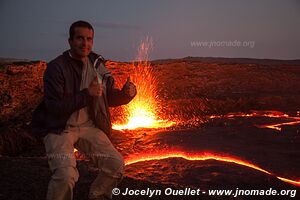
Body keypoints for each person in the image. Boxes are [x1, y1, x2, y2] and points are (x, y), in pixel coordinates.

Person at [31, 20, 137, 200]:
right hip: (59, 128)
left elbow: (107, 98)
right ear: (70, 41)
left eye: (89, 39)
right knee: (65, 176)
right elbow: (54, 108)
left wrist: (127, 95)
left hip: (88, 127)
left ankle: (98, 195)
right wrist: (86, 94)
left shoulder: (97, 66)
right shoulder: (56, 68)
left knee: (115, 164)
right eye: (80, 38)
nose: (85, 43)